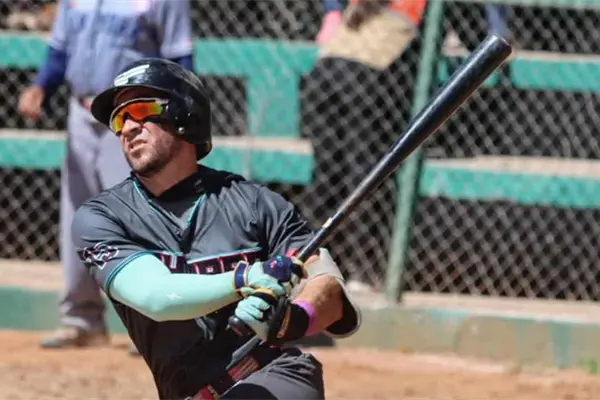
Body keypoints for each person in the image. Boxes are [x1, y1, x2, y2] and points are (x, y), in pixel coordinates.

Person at [71, 58, 362, 400]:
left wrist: (294, 319)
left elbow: (326, 284)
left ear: (185, 113)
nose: (128, 128)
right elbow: (156, 296)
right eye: (120, 119)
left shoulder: (255, 204)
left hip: (273, 376)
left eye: (141, 110)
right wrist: (244, 279)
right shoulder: (103, 217)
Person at [17, 0, 195, 351]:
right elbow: (60, 50)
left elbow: (180, 61)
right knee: (78, 213)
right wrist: (41, 86)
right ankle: (81, 319)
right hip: (81, 112)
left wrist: (176, 123)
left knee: (141, 216)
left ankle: (153, 323)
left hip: (136, 119)